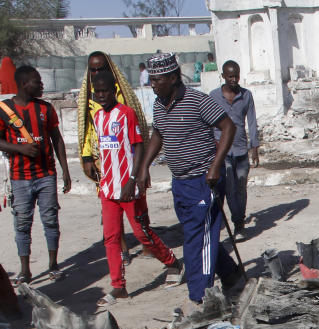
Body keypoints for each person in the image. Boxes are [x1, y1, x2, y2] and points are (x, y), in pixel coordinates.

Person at [135, 53, 241, 305]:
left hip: (204, 179)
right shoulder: (159, 103)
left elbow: (229, 127)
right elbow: (158, 133)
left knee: (196, 240)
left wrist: (216, 166)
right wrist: (143, 167)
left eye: (158, 79)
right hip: (180, 181)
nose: (153, 84)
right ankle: (232, 275)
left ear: (173, 78)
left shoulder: (197, 101)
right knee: (200, 234)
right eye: (151, 79)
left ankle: (200, 296)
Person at [89, 72, 182, 306]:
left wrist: (134, 177)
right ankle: (118, 286)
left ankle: (171, 262)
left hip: (129, 186)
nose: (101, 96)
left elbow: (138, 145)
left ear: (114, 92)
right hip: (108, 188)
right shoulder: (98, 117)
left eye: (105, 91)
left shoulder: (126, 114)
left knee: (142, 232)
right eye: (97, 92)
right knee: (111, 237)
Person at [0, 66, 71, 285]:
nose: (41, 85)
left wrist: (65, 171)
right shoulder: (4, 109)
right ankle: (25, 270)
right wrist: (19, 149)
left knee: (50, 220)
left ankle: (53, 265)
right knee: (22, 224)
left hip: (46, 175)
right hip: (20, 178)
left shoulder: (45, 109)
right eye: (36, 82)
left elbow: (56, 138)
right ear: (23, 84)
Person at [78, 51, 149, 266]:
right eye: (93, 69)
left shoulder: (123, 97)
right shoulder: (90, 98)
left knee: (137, 205)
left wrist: (140, 169)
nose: (97, 72)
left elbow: (138, 134)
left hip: (129, 160)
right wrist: (87, 156)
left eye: (101, 68)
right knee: (110, 209)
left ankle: (147, 243)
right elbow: (87, 128)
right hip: (103, 158)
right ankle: (122, 250)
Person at [210, 60, 260, 240]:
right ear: (223, 76)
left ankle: (240, 219)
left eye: (236, 76)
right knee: (230, 188)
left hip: (241, 149)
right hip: (222, 151)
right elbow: (209, 123)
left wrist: (255, 147)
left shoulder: (246, 96)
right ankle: (238, 223)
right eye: (230, 76)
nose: (233, 79)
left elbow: (252, 122)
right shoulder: (214, 97)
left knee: (241, 187)